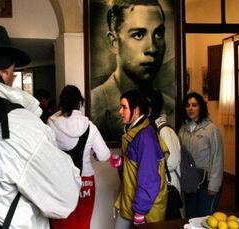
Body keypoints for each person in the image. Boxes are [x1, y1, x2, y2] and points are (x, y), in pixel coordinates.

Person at [0, 24, 81, 228]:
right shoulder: (19, 123)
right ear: (4, 69)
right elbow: (65, 198)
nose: (13, 76)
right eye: (13, 70)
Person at [91, 0, 175, 142]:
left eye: (158, 34)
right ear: (114, 42)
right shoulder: (96, 104)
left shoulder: (171, 106)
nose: (152, 49)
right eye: (138, 35)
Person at [47, 85, 112, 229]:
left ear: (61, 102)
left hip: (60, 181)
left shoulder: (51, 123)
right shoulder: (89, 126)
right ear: (80, 102)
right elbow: (104, 155)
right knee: (82, 224)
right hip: (86, 181)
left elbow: (46, 154)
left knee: (62, 223)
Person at [113, 89, 168, 228]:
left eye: (124, 107)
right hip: (131, 202)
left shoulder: (145, 137)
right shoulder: (135, 131)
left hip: (145, 210)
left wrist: (140, 212)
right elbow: (137, 164)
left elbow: (149, 177)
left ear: (136, 110)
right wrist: (122, 163)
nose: (120, 111)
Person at [178, 92, 224, 218]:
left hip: (207, 183)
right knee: (191, 217)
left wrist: (214, 185)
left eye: (194, 105)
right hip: (190, 182)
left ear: (201, 107)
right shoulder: (183, 130)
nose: (190, 108)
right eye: (188, 105)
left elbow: (218, 158)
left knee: (205, 218)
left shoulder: (211, 129)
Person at [146, 89, 182, 218]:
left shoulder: (164, 130)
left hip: (168, 185)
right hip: (158, 185)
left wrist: (149, 166)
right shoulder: (151, 126)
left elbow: (172, 161)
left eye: (148, 105)